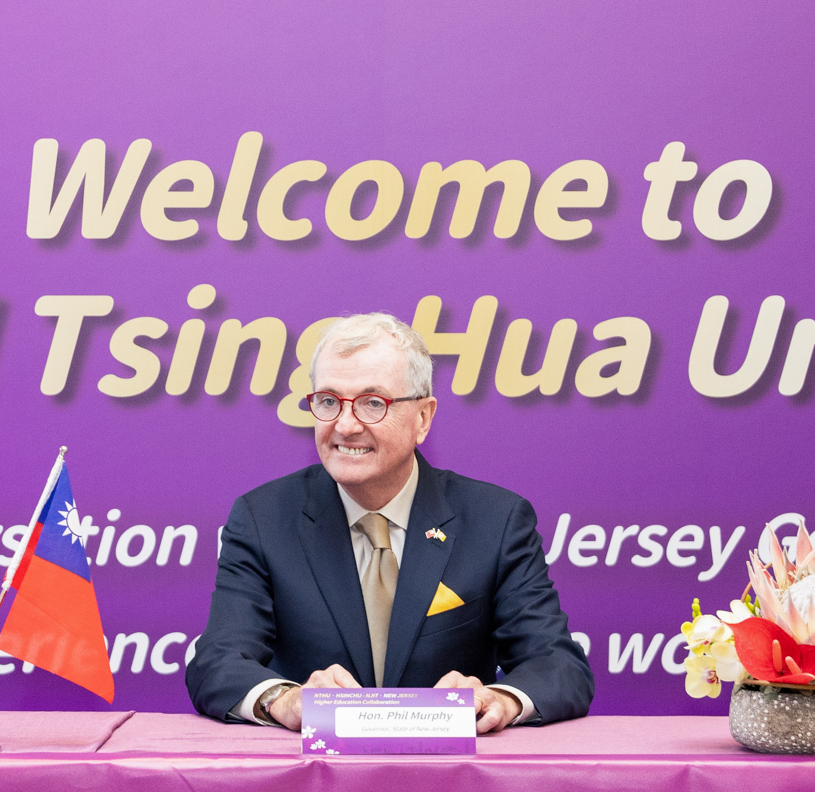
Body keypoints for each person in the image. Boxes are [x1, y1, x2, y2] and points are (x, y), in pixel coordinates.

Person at [185, 312, 592, 732]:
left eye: (372, 403)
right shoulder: (263, 518)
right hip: (314, 781)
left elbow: (558, 665)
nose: (344, 425)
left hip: (449, 782)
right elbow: (218, 661)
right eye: (328, 401)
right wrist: (284, 699)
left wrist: (500, 700)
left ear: (423, 418)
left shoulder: (496, 520)